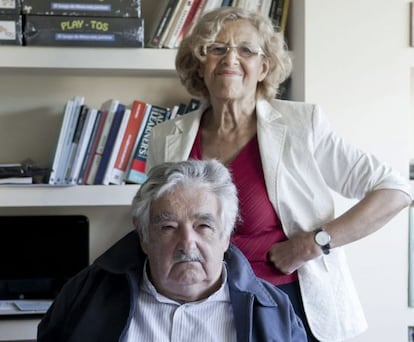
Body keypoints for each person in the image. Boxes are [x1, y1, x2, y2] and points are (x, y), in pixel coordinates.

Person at [146, 6, 414, 342]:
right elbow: (156, 225)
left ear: (264, 67)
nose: (230, 59)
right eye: (217, 48)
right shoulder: (166, 136)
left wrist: (313, 243)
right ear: (200, 64)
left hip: (287, 306)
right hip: (197, 307)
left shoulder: (303, 125)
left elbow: (394, 190)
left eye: (246, 50)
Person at [37, 159, 307, 342]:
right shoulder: (85, 295)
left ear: (225, 237)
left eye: (203, 225)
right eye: (168, 227)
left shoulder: (273, 312)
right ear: (143, 235)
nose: (187, 242)